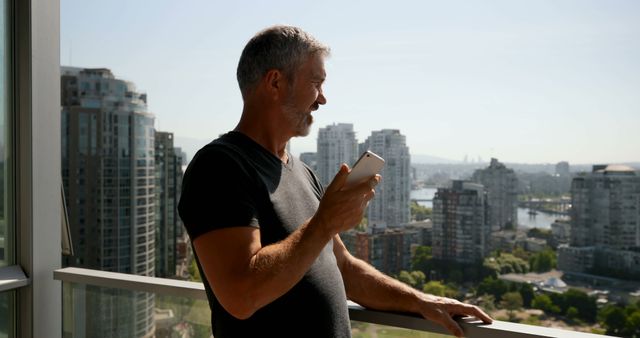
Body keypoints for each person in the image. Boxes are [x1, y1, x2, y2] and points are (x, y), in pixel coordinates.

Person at [178, 25, 492, 338]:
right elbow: (240, 295)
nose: (322, 99)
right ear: (275, 82)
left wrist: (419, 301)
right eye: (316, 83)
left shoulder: (302, 171)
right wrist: (325, 222)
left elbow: (343, 267)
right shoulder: (219, 166)